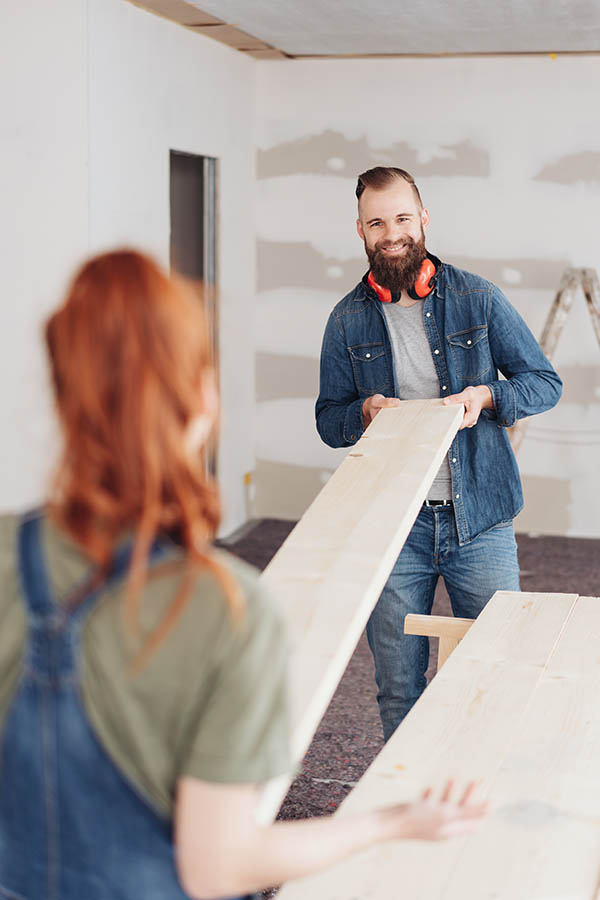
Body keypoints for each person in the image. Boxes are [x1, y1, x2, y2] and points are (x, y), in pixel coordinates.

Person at [0, 250, 486, 900]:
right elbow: (220, 867)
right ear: (202, 399)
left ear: (63, 395)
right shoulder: (228, 610)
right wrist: (389, 822)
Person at [316, 167, 562, 743]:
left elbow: (543, 381)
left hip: (480, 518)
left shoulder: (478, 297)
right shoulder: (346, 319)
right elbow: (330, 419)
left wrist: (490, 395)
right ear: (360, 230)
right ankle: (407, 799)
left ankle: (484, 794)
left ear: (423, 219)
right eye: (377, 222)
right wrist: (364, 413)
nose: (392, 232)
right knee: (400, 685)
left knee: (503, 663)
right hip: (394, 525)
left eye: (402, 218)